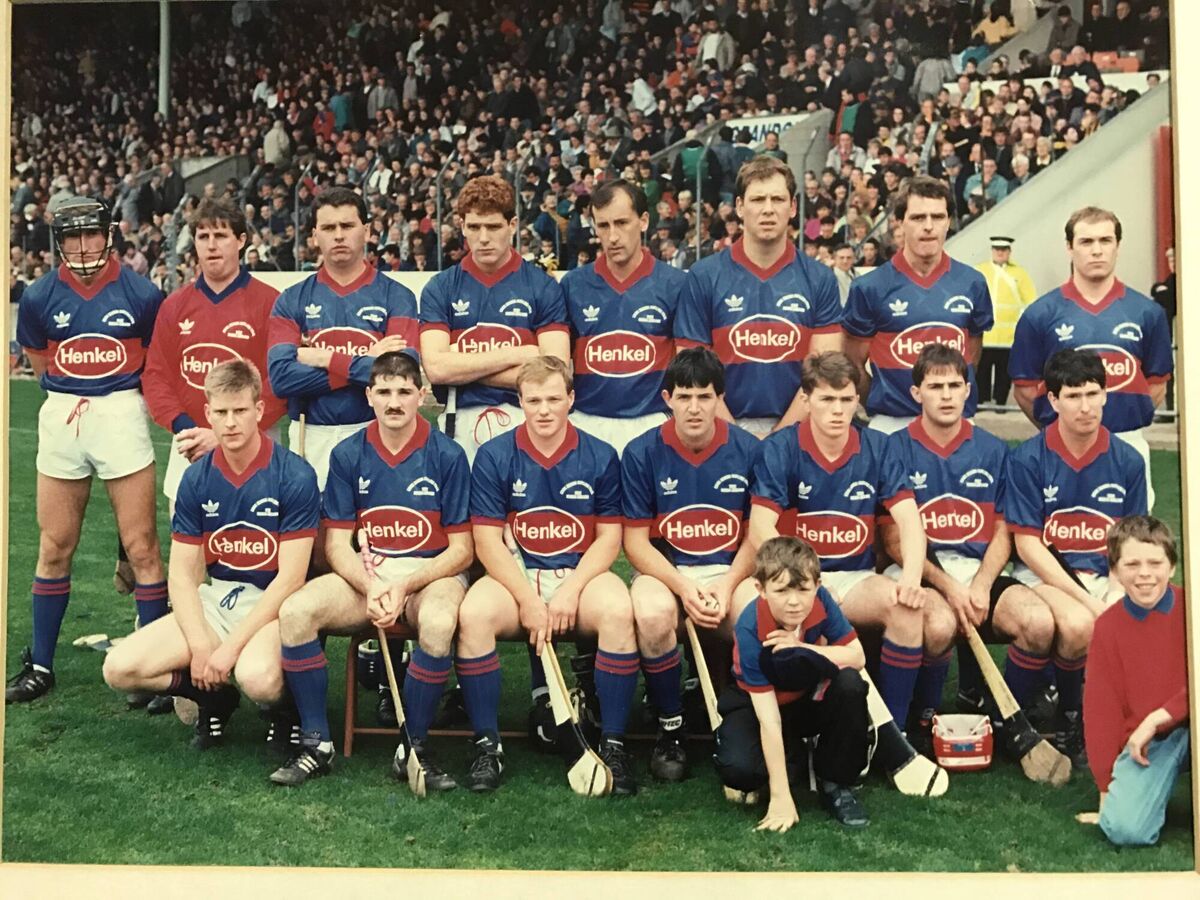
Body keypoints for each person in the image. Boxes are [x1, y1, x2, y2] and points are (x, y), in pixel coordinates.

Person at [267, 352, 472, 787]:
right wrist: (372, 585)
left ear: (422, 395)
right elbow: (336, 544)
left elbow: (462, 551)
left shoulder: (448, 454)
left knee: (438, 622)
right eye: (384, 392)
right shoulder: (348, 453)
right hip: (369, 576)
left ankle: (412, 747)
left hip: (431, 574)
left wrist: (405, 585)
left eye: (404, 392)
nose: (394, 402)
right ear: (369, 396)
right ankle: (316, 744)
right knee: (296, 611)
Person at [101, 361, 317, 750]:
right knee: (119, 668)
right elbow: (183, 576)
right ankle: (214, 698)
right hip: (220, 600)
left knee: (258, 679)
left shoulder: (294, 475)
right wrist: (202, 647)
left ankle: (287, 709)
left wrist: (229, 651)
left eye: (240, 411)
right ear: (208, 414)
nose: (230, 423)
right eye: (221, 412)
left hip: (273, 606)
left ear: (259, 410)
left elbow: (291, 579)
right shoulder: (196, 478)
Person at [455, 357, 639, 794]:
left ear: (571, 399)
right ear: (519, 402)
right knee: (474, 614)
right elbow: (487, 541)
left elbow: (609, 539)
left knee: (618, 611)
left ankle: (613, 745)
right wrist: (527, 600)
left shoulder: (600, 454)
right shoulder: (495, 455)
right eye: (533, 400)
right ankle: (487, 746)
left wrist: (571, 591)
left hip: (580, 574)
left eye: (553, 399)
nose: (543, 410)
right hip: (518, 575)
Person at [8, 197, 166, 704]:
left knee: (142, 548)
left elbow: (154, 362)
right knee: (54, 545)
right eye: (72, 237)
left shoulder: (142, 293)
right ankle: (40, 665)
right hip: (63, 413)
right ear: (59, 243)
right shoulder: (39, 295)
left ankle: (155, 668)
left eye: (91, 234)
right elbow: (40, 363)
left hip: (121, 411)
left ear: (109, 235)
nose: (82, 246)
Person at [748, 352, 955, 729]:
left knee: (907, 608)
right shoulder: (780, 448)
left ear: (857, 400)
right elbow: (761, 528)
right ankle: (793, 725)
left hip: (855, 578)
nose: (837, 410)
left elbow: (909, 520)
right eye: (827, 399)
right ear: (806, 399)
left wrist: (911, 578)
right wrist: (804, 583)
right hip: (798, 581)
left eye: (846, 399)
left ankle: (892, 731)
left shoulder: (879, 446)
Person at [880, 344, 1058, 754]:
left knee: (1037, 622)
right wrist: (949, 587)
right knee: (940, 625)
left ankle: (1003, 721)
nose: (946, 395)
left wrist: (980, 584)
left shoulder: (994, 450)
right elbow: (893, 540)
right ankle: (920, 721)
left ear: (967, 390)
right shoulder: (894, 448)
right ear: (916, 393)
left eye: (954, 386)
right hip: (919, 571)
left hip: (979, 571)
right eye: (935, 386)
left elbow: (1004, 530)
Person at [621, 348, 761, 782]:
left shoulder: (750, 450)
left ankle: (749, 721)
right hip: (667, 571)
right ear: (668, 399)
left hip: (731, 570)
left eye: (704, 396)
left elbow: (758, 536)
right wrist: (683, 587)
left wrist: (728, 583)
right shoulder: (642, 452)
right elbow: (635, 543)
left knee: (759, 614)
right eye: (684, 397)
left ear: (720, 398)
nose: (695, 407)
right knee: (651, 613)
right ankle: (670, 727)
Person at [1005, 349, 1148, 767]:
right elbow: (1028, 545)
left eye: (1092, 393)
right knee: (1078, 623)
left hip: (1106, 576)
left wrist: (1116, 593)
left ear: (1105, 394)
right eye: (1072, 396)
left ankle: (1145, 720)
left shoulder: (1128, 459)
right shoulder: (1029, 457)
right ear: (1053, 400)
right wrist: (1090, 601)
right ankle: (1067, 717)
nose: (1085, 406)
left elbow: (1131, 541)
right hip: (1043, 576)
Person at [1010, 207, 1173, 508]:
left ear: (1118, 245)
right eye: (1086, 241)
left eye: (1105, 240)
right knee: (1061, 530)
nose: (1097, 250)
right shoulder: (1040, 314)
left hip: (1127, 441)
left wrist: (1117, 427)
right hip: (1060, 448)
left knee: (1131, 535)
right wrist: (1066, 429)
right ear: (1069, 247)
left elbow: (1157, 384)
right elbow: (1025, 389)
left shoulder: (1148, 313)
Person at [267, 186, 419, 496]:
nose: (338, 235)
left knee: (379, 522)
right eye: (328, 228)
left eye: (347, 226)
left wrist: (325, 359)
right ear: (314, 236)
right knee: (313, 526)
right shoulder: (291, 300)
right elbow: (281, 378)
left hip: (376, 431)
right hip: (310, 435)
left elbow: (401, 374)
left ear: (367, 231)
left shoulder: (397, 296)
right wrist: (367, 362)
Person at [675, 156, 843, 437]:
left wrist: (781, 437)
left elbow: (824, 372)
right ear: (740, 207)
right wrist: (737, 438)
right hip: (720, 430)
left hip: (798, 431)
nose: (768, 209)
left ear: (792, 207)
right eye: (757, 199)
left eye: (777, 199)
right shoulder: (704, 276)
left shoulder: (820, 278)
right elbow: (692, 371)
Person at [715, 536, 871, 830]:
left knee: (849, 682)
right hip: (757, 706)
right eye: (782, 590)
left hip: (804, 699)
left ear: (817, 585)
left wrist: (803, 648)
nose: (794, 601)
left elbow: (857, 656)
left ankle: (836, 783)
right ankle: (793, 757)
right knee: (740, 771)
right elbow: (769, 719)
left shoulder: (822, 602)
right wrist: (781, 797)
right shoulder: (749, 627)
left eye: (802, 589)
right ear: (761, 589)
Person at [143, 197, 287, 512]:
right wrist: (186, 428)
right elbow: (156, 375)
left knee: (258, 539)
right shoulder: (174, 306)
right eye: (203, 236)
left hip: (255, 445)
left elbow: (281, 380)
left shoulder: (271, 303)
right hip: (191, 446)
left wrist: (226, 432)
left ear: (241, 240)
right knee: (189, 541)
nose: (211, 245)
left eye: (221, 235)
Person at [419, 176, 569, 465]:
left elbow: (555, 372)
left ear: (512, 225)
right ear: (462, 226)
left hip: (527, 419)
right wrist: (520, 355)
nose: (484, 237)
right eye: (474, 227)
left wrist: (461, 367)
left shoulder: (542, 287)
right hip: (459, 421)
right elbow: (436, 369)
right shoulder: (441, 287)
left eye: (493, 226)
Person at [843, 176, 993, 435]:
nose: (929, 226)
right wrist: (883, 406)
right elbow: (853, 364)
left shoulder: (972, 283)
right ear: (900, 221)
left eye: (938, 217)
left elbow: (972, 356)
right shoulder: (870, 287)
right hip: (892, 424)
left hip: (957, 422)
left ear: (949, 221)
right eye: (918, 217)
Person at [1080, 516, 1188, 847]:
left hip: (1188, 720)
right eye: (1132, 564)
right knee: (1124, 829)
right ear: (1115, 570)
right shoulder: (1108, 627)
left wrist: (1159, 717)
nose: (1144, 573)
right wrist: (1106, 789)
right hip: (1150, 743)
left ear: (1172, 567)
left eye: (1155, 563)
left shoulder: (1191, 608)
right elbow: (1101, 710)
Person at [563, 179, 687, 455]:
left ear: (643, 221)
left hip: (652, 422)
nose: (612, 236)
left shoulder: (676, 284)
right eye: (603, 225)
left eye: (621, 223)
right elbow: (558, 364)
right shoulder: (573, 285)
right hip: (587, 422)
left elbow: (687, 367)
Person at [975, 235, 1036, 408]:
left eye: (1003, 250)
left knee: (1004, 372)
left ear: (1009, 252)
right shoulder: (980, 270)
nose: (1000, 253)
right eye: (997, 250)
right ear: (992, 251)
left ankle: (1000, 402)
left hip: (1008, 336)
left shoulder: (1019, 273)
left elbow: (1030, 300)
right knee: (982, 370)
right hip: (985, 335)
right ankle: (982, 402)